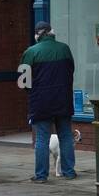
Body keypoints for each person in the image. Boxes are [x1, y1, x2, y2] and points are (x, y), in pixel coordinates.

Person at [21, 22, 77, 183]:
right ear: (51, 33)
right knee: (65, 135)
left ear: (37, 35)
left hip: (40, 102)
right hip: (63, 99)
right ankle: (69, 172)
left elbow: (22, 81)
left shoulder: (30, 52)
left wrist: (33, 91)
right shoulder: (64, 49)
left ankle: (41, 175)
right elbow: (71, 70)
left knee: (42, 138)